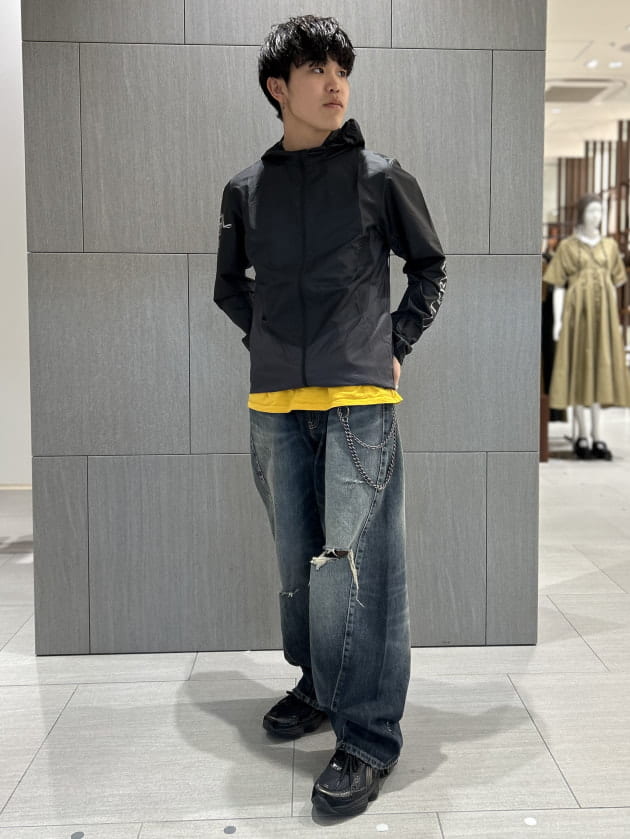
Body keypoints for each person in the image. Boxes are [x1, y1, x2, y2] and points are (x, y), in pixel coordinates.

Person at [214, 15, 446, 817]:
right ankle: (318, 683)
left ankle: (369, 737)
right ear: (278, 87)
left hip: (358, 404)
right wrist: (270, 341)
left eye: (342, 68)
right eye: (316, 69)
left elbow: (429, 268)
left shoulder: (381, 178)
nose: (335, 82)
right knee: (298, 567)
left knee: (360, 572)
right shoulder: (246, 190)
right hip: (275, 405)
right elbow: (229, 286)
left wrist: (396, 342)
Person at [544, 194, 630, 460]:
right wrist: (558, 322)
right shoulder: (568, 247)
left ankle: (597, 435)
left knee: (599, 373)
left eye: (600, 211)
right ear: (581, 213)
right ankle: (581, 434)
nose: (597, 216)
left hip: (603, 320)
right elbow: (559, 286)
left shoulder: (609, 246)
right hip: (576, 318)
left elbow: (615, 284)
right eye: (592, 211)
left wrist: (614, 321)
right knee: (578, 371)